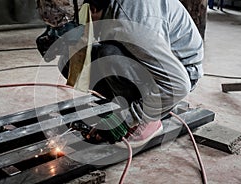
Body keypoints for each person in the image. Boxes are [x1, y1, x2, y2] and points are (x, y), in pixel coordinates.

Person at [36, 0, 204, 148]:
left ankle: (149, 120)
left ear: (92, 9)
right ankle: (134, 103)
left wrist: (125, 119)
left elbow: (178, 85)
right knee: (69, 61)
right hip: (151, 59)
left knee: (109, 56)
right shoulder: (106, 6)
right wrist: (58, 39)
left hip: (177, 75)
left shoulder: (131, 22)